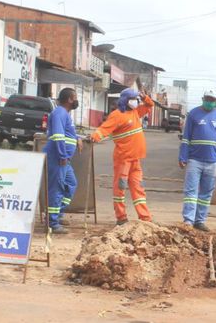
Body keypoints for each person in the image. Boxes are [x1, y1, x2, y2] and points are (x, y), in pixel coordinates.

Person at [91, 88, 154, 225]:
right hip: (123, 159)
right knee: (120, 188)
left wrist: (145, 98)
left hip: (136, 160)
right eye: (133, 98)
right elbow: (104, 129)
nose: (136, 101)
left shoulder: (135, 112)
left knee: (139, 188)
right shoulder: (117, 115)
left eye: (137, 99)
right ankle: (121, 217)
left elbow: (149, 106)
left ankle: (145, 218)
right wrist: (94, 137)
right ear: (125, 100)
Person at [178, 89, 216, 232]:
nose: (209, 102)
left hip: (212, 162)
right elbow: (186, 138)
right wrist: (183, 157)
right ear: (203, 98)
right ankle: (188, 221)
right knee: (191, 192)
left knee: (206, 193)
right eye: (207, 99)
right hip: (194, 160)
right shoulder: (193, 114)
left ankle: (200, 221)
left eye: (212, 100)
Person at [43, 87, 83, 234]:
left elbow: (68, 133)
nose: (76, 100)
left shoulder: (64, 114)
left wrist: (77, 138)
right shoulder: (59, 113)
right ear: (69, 99)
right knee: (57, 188)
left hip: (64, 159)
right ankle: (52, 223)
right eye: (75, 97)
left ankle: (57, 214)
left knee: (71, 184)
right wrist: (62, 156)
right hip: (58, 158)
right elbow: (58, 137)